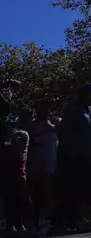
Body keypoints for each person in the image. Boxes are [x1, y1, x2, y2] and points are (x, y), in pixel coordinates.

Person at [54, 83, 91, 231]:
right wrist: (70, 153)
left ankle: (71, 217)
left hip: (84, 157)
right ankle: (65, 221)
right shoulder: (73, 109)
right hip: (74, 158)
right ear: (86, 94)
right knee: (70, 189)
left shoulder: (86, 111)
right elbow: (66, 132)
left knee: (78, 189)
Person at [26, 100, 60, 238]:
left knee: (47, 195)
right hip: (33, 167)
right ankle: (33, 224)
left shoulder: (55, 124)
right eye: (41, 108)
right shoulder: (31, 126)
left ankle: (46, 223)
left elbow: (59, 128)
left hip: (48, 167)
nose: (44, 111)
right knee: (33, 197)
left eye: (46, 108)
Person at [0, 80, 30, 235]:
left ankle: (15, 223)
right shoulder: (7, 129)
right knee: (10, 195)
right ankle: (10, 223)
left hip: (10, 166)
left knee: (14, 196)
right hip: (7, 165)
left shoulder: (11, 130)